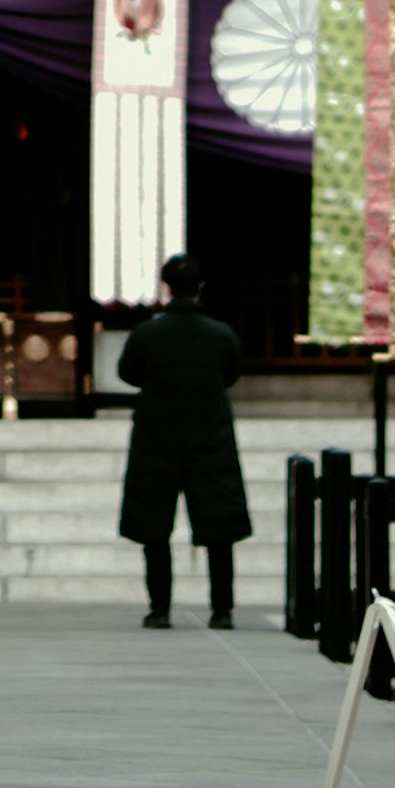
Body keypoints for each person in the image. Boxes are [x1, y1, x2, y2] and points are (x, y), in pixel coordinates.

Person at [116, 252, 249, 629]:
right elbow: (233, 372)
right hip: (210, 433)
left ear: (167, 287)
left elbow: (128, 373)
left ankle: (160, 609)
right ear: (200, 287)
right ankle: (222, 611)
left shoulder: (147, 334)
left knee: (154, 527)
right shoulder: (220, 334)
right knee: (219, 529)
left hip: (157, 434)